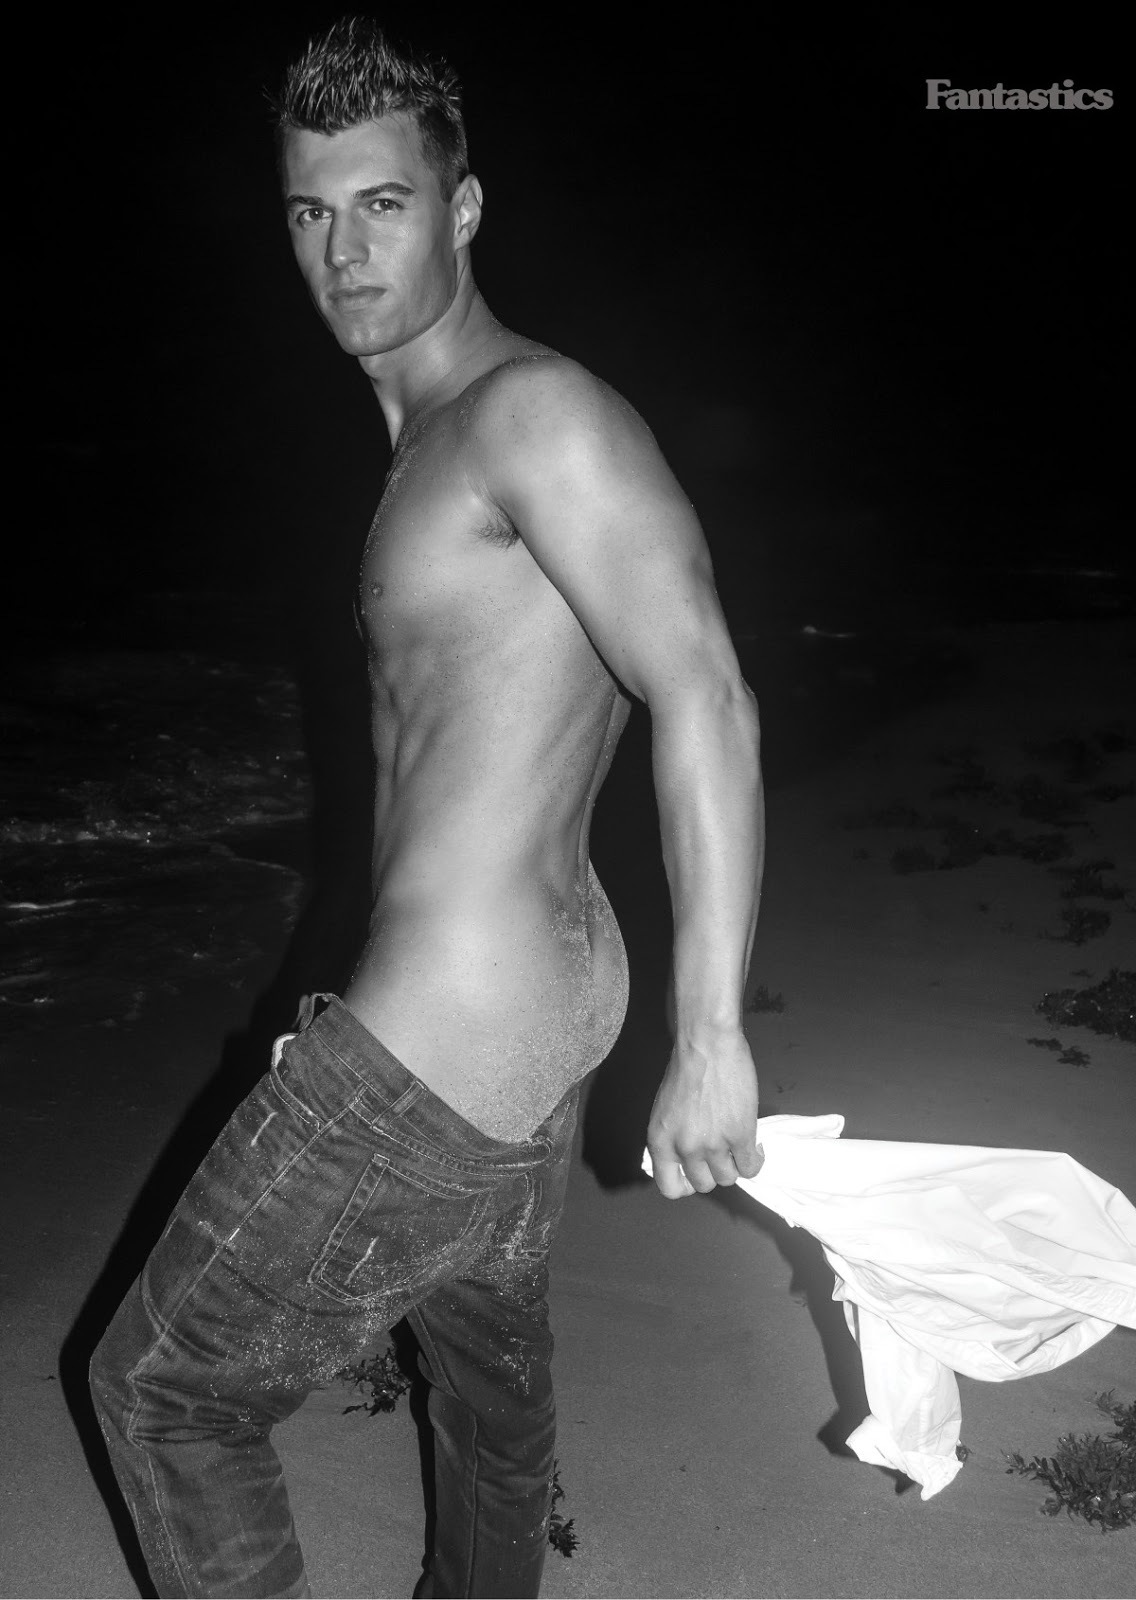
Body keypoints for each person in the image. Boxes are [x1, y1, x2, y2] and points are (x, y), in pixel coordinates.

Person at [89, 15, 764, 1598]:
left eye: (382, 204)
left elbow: (708, 694)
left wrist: (715, 1033)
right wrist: (346, 985)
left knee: (165, 1393)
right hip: (515, 1019)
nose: (343, 251)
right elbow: (437, 773)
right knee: (488, 1403)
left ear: (462, 209)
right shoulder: (434, 442)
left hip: (454, 1039)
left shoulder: (533, 417)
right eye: (311, 213)